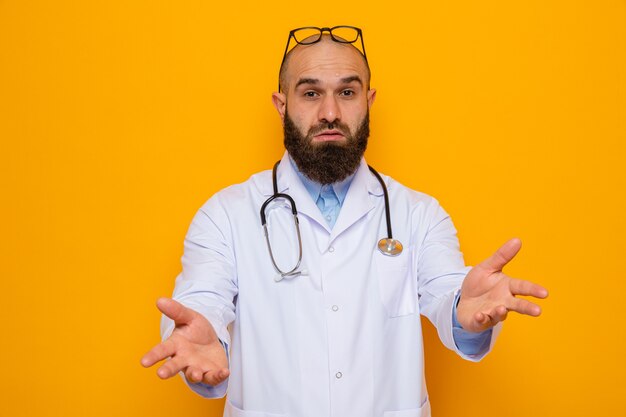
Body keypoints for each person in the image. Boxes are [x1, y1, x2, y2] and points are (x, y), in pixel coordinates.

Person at [141, 26, 548, 417]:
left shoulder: (418, 215)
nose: (330, 112)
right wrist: (204, 335)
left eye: (347, 92)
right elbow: (202, 299)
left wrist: (465, 312)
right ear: (281, 105)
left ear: (368, 101)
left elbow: (449, 295)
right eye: (311, 93)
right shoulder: (225, 215)